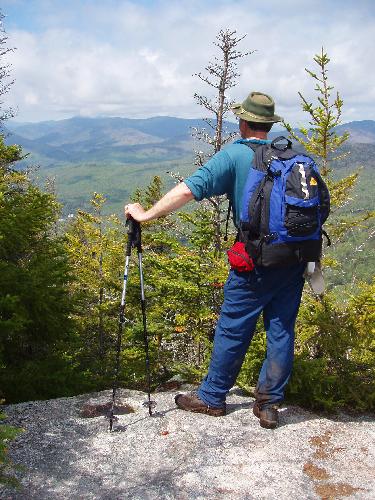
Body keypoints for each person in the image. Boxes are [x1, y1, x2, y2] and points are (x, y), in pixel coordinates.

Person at [125, 91, 305, 429]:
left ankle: (211, 397)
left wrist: (145, 215)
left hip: (254, 260)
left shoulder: (236, 155)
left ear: (243, 121)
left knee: (233, 327)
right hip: (293, 258)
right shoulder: (291, 155)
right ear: (268, 125)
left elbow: (187, 190)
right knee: (281, 329)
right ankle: (268, 405)